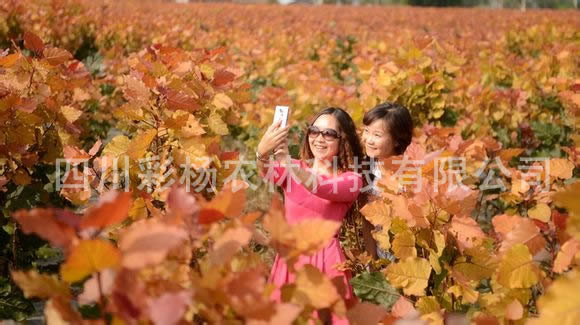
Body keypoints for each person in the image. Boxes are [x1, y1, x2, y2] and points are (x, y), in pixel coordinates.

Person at [256, 107, 365, 325]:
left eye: (329, 134)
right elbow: (265, 171)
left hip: (325, 262)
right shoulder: (294, 167)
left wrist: (287, 162)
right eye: (314, 131)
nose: (319, 139)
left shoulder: (351, 180)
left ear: (343, 140)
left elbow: (319, 186)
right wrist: (262, 151)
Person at [360, 102, 413, 260]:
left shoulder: (409, 175)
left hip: (409, 260)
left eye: (377, 135)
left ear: (397, 140)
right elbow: (368, 221)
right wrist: (372, 263)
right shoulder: (366, 169)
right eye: (366, 131)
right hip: (381, 259)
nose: (368, 140)